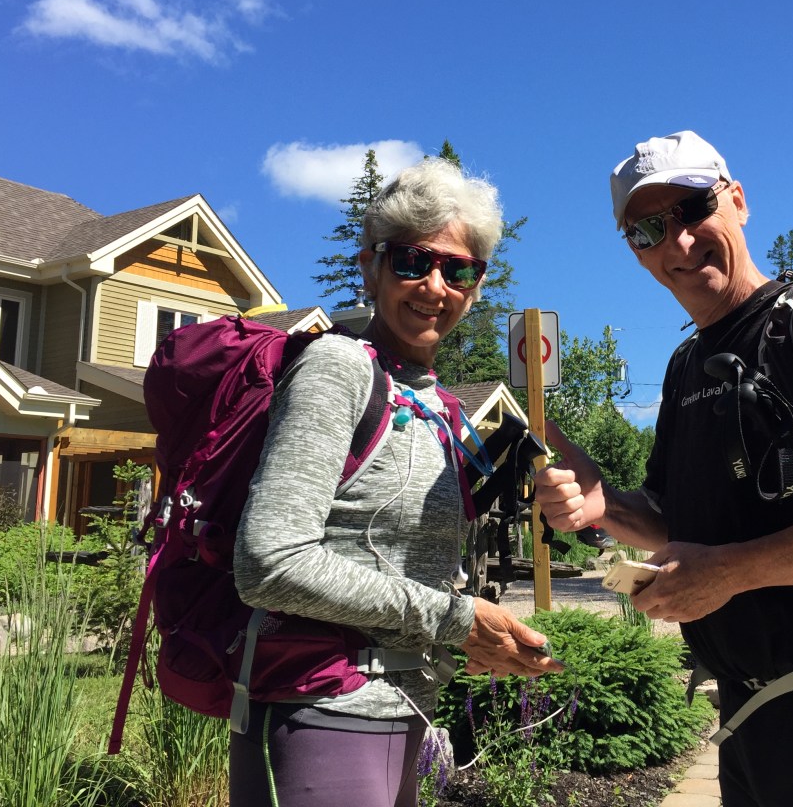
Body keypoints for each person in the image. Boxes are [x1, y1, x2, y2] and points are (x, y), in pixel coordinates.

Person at [535, 130, 793, 807]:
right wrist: (604, 503)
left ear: (739, 201)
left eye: (693, 208)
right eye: (645, 230)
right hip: (752, 716)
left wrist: (726, 573)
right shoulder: (686, 365)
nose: (677, 241)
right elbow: (676, 522)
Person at [232, 157, 558, 807]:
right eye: (413, 261)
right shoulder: (338, 369)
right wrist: (456, 620)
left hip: (401, 708)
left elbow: (393, 565)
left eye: (458, 270)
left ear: (477, 285)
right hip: (321, 707)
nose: (436, 286)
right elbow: (268, 562)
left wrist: (475, 638)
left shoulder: (434, 402)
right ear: (371, 266)